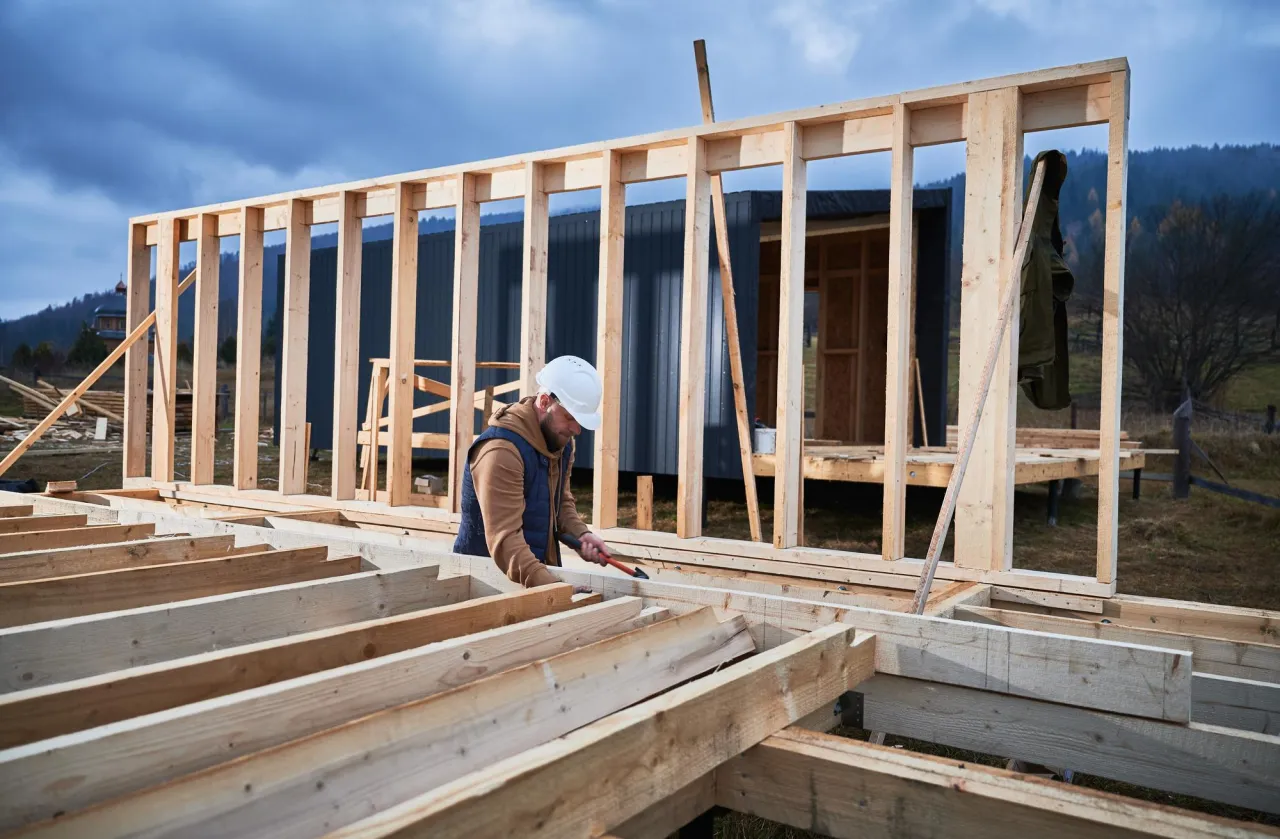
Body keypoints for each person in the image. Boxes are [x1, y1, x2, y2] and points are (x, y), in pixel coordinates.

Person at [453, 355, 611, 587]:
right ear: (545, 402)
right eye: (570, 417)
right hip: (486, 583)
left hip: (533, 577)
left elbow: (560, 501)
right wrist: (554, 589)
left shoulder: (560, 441)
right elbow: (506, 541)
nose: (576, 429)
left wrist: (581, 535)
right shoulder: (501, 451)